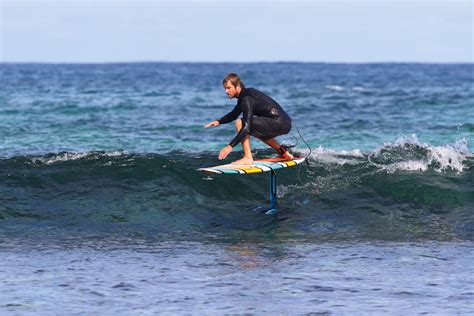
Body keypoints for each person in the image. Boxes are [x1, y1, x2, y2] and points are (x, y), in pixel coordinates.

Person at [204, 73, 294, 164]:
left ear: (237, 86)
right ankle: (283, 152)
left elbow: (246, 126)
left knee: (241, 123)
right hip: (284, 123)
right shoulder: (245, 96)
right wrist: (219, 121)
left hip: (278, 122)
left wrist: (230, 146)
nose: (226, 91)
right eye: (225, 88)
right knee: (258, 130)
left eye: (228, 88)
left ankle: (248, 157)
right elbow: (234, 114)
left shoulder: (246, 98)